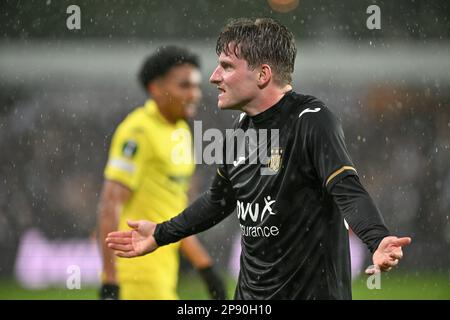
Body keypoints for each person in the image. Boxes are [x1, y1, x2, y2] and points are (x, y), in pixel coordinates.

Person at [105, 18, 412, 300]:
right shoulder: (240, 130)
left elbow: (346, 187)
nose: (214, 77)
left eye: (226, 66)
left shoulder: (311, 120)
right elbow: (218, 201)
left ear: (263, 74)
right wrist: (160, 233)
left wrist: (377, 238)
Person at [97, 46, 227, 300]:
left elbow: (174, 212)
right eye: (184, 86)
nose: (194, 94)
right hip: (136, 277)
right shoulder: (138, 131)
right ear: (156, 88)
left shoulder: (180, 131)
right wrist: (111, 281)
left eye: (196, 86)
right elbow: (109, 205)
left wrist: (205, 266)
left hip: (164, 275)